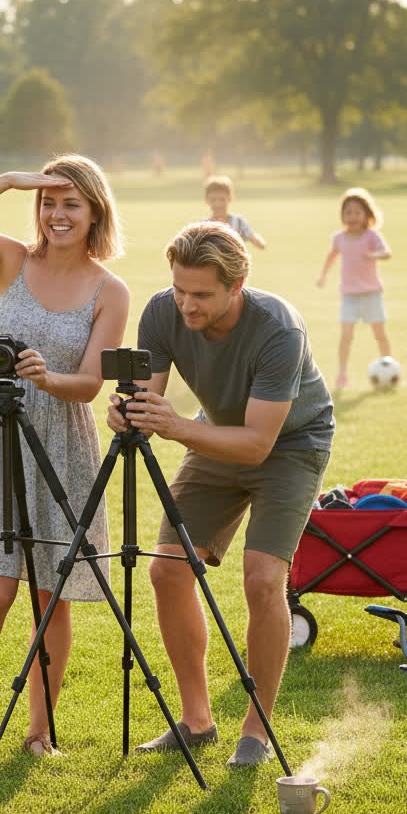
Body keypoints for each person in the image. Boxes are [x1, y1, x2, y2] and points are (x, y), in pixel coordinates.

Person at [0, 154, 129, 757]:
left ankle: (39, 732)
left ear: (94, 211)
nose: (57, 214)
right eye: (47, 201)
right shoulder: (11, 260)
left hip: (61, 441)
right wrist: (9, 180)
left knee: (50, 595)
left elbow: (91, 383)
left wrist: (46, 377)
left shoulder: (109, 289)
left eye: (71, 202)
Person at [107, 221, 333, 768]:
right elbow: (148, 394)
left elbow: (257, 444)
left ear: (237, 284)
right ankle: (196, 721)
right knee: (167, 569)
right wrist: (128, 413)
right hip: (213, 433)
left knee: (262, 577)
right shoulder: (163, 311)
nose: (186, 304)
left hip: (289, 445)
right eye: (180, 289)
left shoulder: (278, 328)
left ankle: (255, 732)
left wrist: (178, 427)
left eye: (201, 294)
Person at [316, 187, 392, 391]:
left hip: (371, 293)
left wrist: (374, 255)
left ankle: (389, 367)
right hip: (349, 295)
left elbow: (387, 253)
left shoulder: (371, 236)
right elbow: (332, 256)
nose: (352, 216)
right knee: (346, 335)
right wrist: (323, 275)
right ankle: (342, 373)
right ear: (342, 215)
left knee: (379, 333)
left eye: (357, 212)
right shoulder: (339, 238)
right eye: (348, 212)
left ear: (367, 214)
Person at [204, 175, 266, 250]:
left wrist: (258, 241)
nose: (218, 204)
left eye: (222, 199)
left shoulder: (239, 222)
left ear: (230, 198)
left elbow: (251, 235)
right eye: (213, 200)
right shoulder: (204, 225)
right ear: (207, 200)